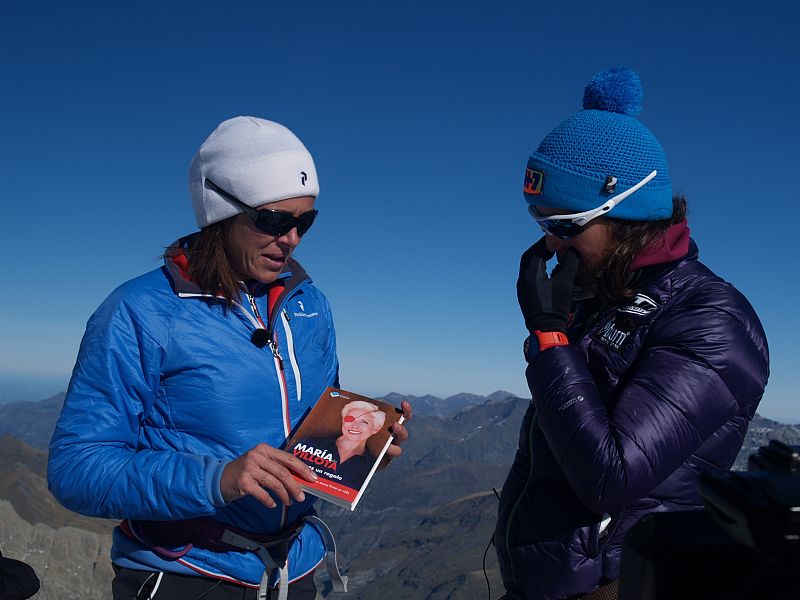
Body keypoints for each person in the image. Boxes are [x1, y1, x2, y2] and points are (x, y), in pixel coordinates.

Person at [47, 116, 412, 600]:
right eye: (273, 220)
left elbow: (318, 422)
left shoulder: (308, 305)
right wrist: (218, 479)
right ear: (220, 211)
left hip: (293, 569)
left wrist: (360, 449)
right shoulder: (140, 312)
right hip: (187, 575)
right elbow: (76, 468)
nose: (292, 238)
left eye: (305, 221)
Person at [494, 67, 769, 600]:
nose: (549, 245)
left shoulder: (711, 319)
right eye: (539, 222)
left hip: (616, 586)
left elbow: (610, 477)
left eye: (565, 225)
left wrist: (550, 341)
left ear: (625, 215)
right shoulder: (603, 294)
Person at [295, 401, 387, 490]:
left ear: (376, 429)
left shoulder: (371, 464)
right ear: (343, 421)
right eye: (350, 419)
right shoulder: (308, 444)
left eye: (364, 422)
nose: (354, 426)